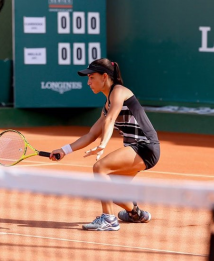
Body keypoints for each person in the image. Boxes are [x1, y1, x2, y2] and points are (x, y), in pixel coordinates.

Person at [50, 58, 161, 231]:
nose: (88, 82)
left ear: (104, 77)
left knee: (99, 167)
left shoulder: (119, 91)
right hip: (138, 149)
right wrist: (64, 150)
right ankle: (137, 213)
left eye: (91, 77)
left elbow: (111, 118)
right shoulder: (107, 104)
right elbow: (92, 134)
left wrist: (104, 144)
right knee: (109, 190)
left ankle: (108, 219)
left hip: (145, 146)